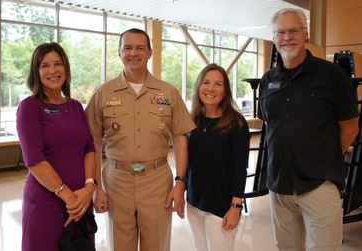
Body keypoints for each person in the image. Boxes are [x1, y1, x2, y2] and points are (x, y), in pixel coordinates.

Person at [85, 28, 196, 251]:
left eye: (140, 48)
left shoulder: (168, 92)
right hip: (117, 182)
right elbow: (93, 142)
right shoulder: (103, 93)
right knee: (120, 245)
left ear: (150, 52)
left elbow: (180, 138)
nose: (133, 53)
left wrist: (180, 182)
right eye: (127, 48)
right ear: (119, 53)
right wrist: (96, 188)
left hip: (157, 181)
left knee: (156, 243)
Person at [257, 8, 359, 251]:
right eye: (281, 32)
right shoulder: (267, 80)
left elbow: (350, 127)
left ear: (305, 35)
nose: (287, 37)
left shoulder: (332, 75)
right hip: (279, 185)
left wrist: (322, 161)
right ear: (273, 38)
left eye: (293, 31)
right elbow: (271, 125)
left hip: (319, 184)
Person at [16, 42, 97, 251]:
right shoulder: (30, 107)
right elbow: (34, 160)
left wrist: (88, 189)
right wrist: (69, 197)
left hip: (81, 202)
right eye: (44, 65)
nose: (52, 70)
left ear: (66, 69)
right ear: (36, 71)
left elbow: (89, 148)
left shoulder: (76, 106)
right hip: (47, 203)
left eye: (58, 64)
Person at [186, 63, 250, 251]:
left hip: (221, 207)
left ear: (225, 92)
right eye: (206, 82)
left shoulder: (235, 123)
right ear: (198, 87)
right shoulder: (192, 121)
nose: (211, 88)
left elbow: (240, 169)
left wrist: (235, 207)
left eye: (218, 84)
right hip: (194, 203)